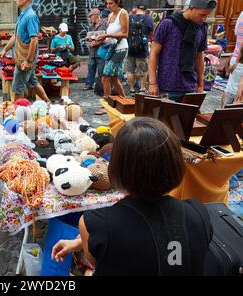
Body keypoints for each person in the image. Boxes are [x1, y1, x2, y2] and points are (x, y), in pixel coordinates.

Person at [51, 118, 213, 276]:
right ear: (175, 163)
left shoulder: (93, 223)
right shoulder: (199, 213)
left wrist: (85, 241)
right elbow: (164, 247)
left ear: (116, 167)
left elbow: (97, 262)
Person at [148, 0, 217, 102]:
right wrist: (152, 82)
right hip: (167, 85)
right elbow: (153, 53)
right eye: (202, 14)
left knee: (186, 119)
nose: (204, 18)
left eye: (207, 15)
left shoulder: (201, 28)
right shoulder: (168, 24)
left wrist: (200, 83)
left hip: (190, 85)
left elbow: (199, 56)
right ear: (191, 8)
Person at [0, 0, 50, 103]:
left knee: (17, 88)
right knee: (33, 82)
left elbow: (34, 40)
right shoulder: (23, 15)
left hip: (24, 58)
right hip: (23, 57)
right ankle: (48, 102)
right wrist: (5, 50)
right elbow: (15, 36)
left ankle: (18, 115)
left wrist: (28, 60)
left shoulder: (30, 16)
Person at [94, 0, 129, 115]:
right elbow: (110, 36)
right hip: (112, 47)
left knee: (105, 77)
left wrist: (107, 35)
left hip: (120, 49)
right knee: (113, 78)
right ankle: (125, 100)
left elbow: (125, 34)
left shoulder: (123, 13)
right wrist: (99, 39)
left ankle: (106, 105)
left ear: (117, 2)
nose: (108, 6)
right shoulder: (109, 15)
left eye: (111, 3)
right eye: (107, 3)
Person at [126, 3, 154, 95]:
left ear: (136, 9)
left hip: (130, 48)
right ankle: (142, 89)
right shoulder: (148, 18)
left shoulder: (130, 17)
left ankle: (132, 90)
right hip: (142, 49)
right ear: (146, 10)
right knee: (143, 70)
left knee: (130, 70)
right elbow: (151, 31)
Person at [85, 8, 108, 93]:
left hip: (101, 51)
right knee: (91, 68)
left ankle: (100, 86)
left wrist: (98, 42)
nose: (90, 19)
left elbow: (107, 36)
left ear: (96, 16)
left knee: (101, 70)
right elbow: (88, 37)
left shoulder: (105, 24)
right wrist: (90, 41)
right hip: (92, 52)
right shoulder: (91, 26)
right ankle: (89, 84)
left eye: (90, 17)